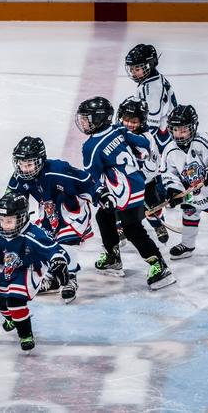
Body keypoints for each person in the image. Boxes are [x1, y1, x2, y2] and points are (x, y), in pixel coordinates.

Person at [75, 96, 176, 290]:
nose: (83, 123)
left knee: (132, 229)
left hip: (124, 191)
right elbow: (143, 144)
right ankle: (113, 257)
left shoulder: (91, 146)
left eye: (87, 119)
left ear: (99, 119)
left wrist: (101, 193)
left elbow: (92, 178)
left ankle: (159, 266)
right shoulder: (117, 129)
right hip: (137, 184)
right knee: (104, 217)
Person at [0, 193, 71, 351]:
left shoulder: (33, 234)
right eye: (2, 220)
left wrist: (58, 261)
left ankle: (25, 334)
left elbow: (52, 249)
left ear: (22, 218)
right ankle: (13, 319)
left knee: (15, 301)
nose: (5, 225)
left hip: (30, 269)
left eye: (10, 221)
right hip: (8, 270)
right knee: (1, 304)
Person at [6, 136, 93, 303]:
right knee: (46, 243)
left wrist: (101, 196)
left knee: (66, 242)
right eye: (21, 164)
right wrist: (8, 209)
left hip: (72, 210)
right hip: (48, 212)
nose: (24, 169)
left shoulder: (57, 169)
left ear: (40, 160)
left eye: (29, 164)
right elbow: (12, 197)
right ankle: (54, 277)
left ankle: (70, 278)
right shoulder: (19, 176)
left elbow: (86, 181)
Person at [160, 104, 208, 260]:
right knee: (189, 215)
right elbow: (168, 174)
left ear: (193, 127)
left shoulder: (202, 141)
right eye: (175, 130)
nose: (179, 134)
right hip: (192, 194)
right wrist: (174, 189)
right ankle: (188, 245)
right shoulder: (169, 150)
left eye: (183, 129)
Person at [116, 97, 169, 244]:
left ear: (142, 121)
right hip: (123, 181)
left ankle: (158, 224)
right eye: (126, 120)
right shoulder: (114, 134)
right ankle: (119, 227)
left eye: (134, 121)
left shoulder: (147, 139)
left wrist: (140, 180)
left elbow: (153, 165)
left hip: (145, 181)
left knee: (153, 205)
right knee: (119, 205)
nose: (129, 124)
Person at [125, 44, 178, 155]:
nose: (133, 72)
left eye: (137, 69)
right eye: (131, 69)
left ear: (149, 65)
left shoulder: (153, 89)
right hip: (165, 130)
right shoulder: (152, 79)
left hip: (162, 135)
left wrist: (135, 142)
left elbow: (152, 125)